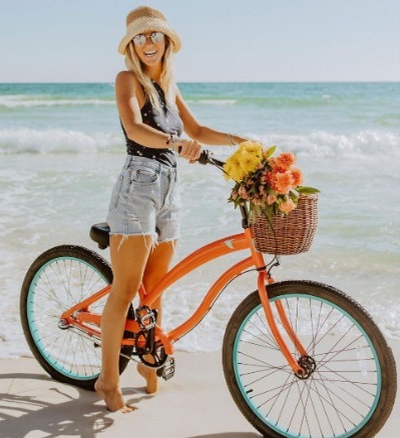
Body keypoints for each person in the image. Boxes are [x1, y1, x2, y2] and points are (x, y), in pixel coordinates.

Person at [95, 5, 248, 412]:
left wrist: (239, 142)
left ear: (166, 41)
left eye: (154, 36)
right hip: (138, 186)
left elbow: (196, 131)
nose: (148, 43)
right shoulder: (128, 79)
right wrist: (176, 144)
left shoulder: (168, 84)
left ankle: (148, 364)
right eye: (140, 37)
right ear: (132, 45)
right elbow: (134, 128)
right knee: (126, 289)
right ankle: (108, 382)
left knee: (156, 289)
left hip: (169, 188)